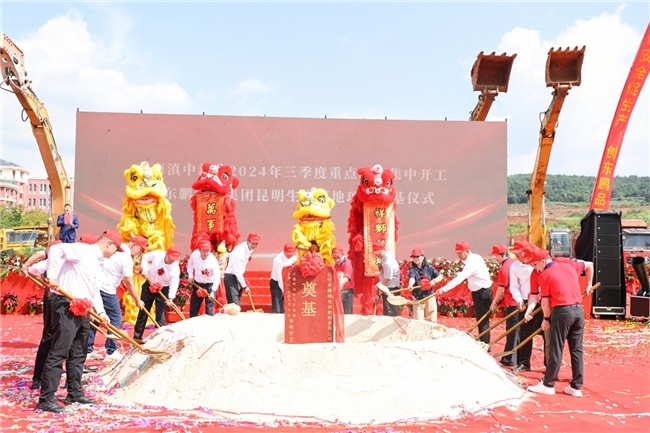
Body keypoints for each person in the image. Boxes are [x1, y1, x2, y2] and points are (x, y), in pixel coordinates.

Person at [36, 230, 122, 413]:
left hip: (84, 307)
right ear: (109, 244)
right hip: (66, 305)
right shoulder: (84, 250)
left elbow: (95, 290)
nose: (116, 252)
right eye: (116, 248)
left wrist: (102, 313)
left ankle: (74, 391)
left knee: (79, 353)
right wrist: (52, 276)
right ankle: (46, 398)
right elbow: (57, 250)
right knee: (59, 352)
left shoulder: (99, 263)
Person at [527, 248, 594, 398]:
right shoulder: (569, 265)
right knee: (577, 349)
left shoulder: (545, 275)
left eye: (536, 265)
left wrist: (545, 319)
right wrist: (589, 284)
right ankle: (576, 386)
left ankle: (548, 384)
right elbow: (589, 265)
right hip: (578, 310)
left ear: (543, 261)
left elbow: (545, 303)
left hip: (562, 311)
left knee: (556, 348)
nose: (536, 269)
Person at [86, 235, 147, 360]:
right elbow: (128, 281)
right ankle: (111, 350)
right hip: (106, 289)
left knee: (97, 318)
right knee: (116, 318)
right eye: (140, 250)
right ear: (134, 245)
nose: (139, 254)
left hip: (100, 286)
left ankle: (88, 349)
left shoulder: (120, 252)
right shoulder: (125, 257)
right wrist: (137, 300)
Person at [22, 240, 62, 390]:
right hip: (57, 297)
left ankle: (40, 378)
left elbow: (32, 269)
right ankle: (40, 377)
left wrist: (27, 269)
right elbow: (35, 264)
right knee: (52, 336)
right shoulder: (58, 257)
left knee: (52, 337)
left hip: (55, 296)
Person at [437, 242, 493, 346]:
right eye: (457, 253)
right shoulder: (474, 258)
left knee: (483, 320)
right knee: (480, 319)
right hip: (478, 293)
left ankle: (485, 344)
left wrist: (443, 289)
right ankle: (483, 341)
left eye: (460, 253)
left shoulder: (472, 262)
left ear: (467, 251)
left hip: (483, 293)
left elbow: (459, 279)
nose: (458, 255)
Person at [132, 247, 182, 343]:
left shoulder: (175, 268)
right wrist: (145, 269)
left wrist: (170, 298)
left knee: (160, 316)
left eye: (174, 259)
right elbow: (145, 257)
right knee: (143, 312)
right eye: (171, 257)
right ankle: (137, 338)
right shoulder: (158, 254)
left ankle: (159, 340)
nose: (172, 260)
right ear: (167, 254)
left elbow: (174, 283)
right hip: (149, 285)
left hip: (163, 290)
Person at [488, 243, 518, 366]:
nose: (495, 258)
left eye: (496, 256)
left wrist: (494, 303)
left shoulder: (504, 269)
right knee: (516, 331)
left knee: (511, 331)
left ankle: (509, 358)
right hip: (518, 301)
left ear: (503, 255)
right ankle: (515, 357)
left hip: (512, 302)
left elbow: (501, 289)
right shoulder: (514, 263)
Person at [508, 240, 536, 373]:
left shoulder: (536, 263)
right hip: (525, 301)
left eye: (519, 253)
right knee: (524, 333)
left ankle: (549, 364)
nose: (517, 256)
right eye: (516, 254)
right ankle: (524, 362)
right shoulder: (515, 267)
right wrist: (518, 299)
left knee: (547, 334)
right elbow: (514, 286)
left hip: (542, 300)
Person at [406, 248, 443, 322]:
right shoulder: (412, 269)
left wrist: (433, 281)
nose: (416, 259)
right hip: (418, 297)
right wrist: (410, 285)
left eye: (417, 257)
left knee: (432, 319)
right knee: (418, 320)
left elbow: (440, 276)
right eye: (414, 257)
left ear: (423, 257)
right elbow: (412, 278)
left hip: (429, 295)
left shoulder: (429, 267)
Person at [224, 233, 260, 306]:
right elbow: (237, 271)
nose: (254, 246)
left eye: (256, 244)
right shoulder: (239, 251)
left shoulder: (248, 249)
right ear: (248, 241)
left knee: (238, 303)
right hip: (231, 277)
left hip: (238, 277)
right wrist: (245, 286)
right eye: (253, 243)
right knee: (234, 305)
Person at [187, 240, 221, 317]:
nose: (205, 253)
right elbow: (190, 264)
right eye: (203, 251)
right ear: (199, 250)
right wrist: (190, 276)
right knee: (194, 308)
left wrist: (213, 291)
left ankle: (209, 327)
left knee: (209, 309)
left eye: (207, 251)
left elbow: (217, 277)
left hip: (209, 285)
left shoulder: (213, 261)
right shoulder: (195, 255)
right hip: (197, 284)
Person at [372, 241, 400, 317]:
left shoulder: (387, 262)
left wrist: (379, 294)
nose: (377, 255)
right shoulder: (388, 253)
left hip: (390, 289)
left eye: (378, 252)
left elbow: (387, 280)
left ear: (383, 250)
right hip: (388, 287)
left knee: (390, 314)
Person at [269, 243, 298, 313]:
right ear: (284, 251)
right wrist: (284, 291)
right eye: (288, 254)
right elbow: (280, 278)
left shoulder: (294, 255)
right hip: (276, 282)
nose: (290, 256)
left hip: (288, 280)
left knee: (284, 303)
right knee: (277, 302)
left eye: (291, 254)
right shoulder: (278, 260)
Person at [332, 247, 354, 314]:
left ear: (342, 255)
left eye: (338, 257)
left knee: (347, 314)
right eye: (334, 258)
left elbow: (346, 278)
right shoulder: (336, 265)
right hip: (340, 292)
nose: (336, 260)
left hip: (347, 292)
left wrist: (340, 284)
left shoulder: (347, 264)